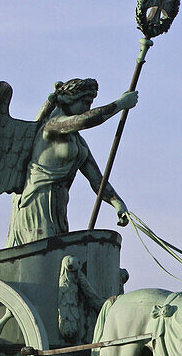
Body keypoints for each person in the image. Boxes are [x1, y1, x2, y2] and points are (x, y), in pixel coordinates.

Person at [8, 78, 137, 246]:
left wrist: (117, 203)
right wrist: (120, 104)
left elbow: (97, 180)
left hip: (58, 205)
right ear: (69, 100)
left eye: (90, 103)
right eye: (85, 102)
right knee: (46, 254)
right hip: (37, 203)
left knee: (58, 253)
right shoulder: (52, 126)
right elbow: (85, 120)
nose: (87, 108)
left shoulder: (78, 143)